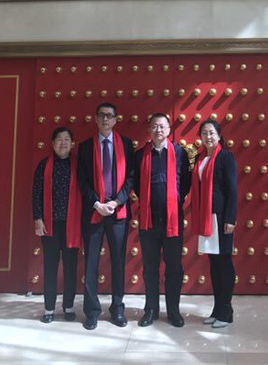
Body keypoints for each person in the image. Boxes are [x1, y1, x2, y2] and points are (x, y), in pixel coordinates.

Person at [77, 102, 134, 330]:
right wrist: (97, 203)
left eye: (109, 116)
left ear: (115, 120)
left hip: (117, 211)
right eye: (101, 115)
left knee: (118, 261)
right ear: (95, 119)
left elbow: (131, 177)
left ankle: (117, 309)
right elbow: (82, 179)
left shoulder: (126, 145)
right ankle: (91, 312)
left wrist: (116, 201)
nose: (105, 119)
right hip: (94, 210)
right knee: (91, 262)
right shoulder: (85, 147)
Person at [134, 112, 191, 328]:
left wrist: (172, 200)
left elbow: (185, 182)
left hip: (172, 221)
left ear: (169, 129)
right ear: (149, 130)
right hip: (149, 221)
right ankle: (151, 310)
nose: (158, 130)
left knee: (174, 267)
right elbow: (137, 184)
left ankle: (173, 310)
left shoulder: (179, 153)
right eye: (154, 126)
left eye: (162, 126)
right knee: (150, 268)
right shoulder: (140, 155)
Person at [190, 119, 237, 328]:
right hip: (206, 217)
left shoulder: (226, 157)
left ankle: (226, 312)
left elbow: (232, 190)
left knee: (224, 264)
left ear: (218, 135)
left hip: (221, 217)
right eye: (204, 133)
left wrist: (230, 219)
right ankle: (217, 310)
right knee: (214, 264)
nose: (207, 137)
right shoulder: (200, 158)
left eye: (211, 133)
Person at [32, 126, 81, 323]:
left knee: (70, 267)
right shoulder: (44, 166)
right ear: (52, 144)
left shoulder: (79, 166)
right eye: (59, 139)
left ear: (72, 144)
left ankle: (68, 306)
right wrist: (38, 219)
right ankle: (49, 309)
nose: (63, 143)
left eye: (67, 139)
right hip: (50, 225)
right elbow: (36, 193)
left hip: (72, 225)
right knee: (50, 267)